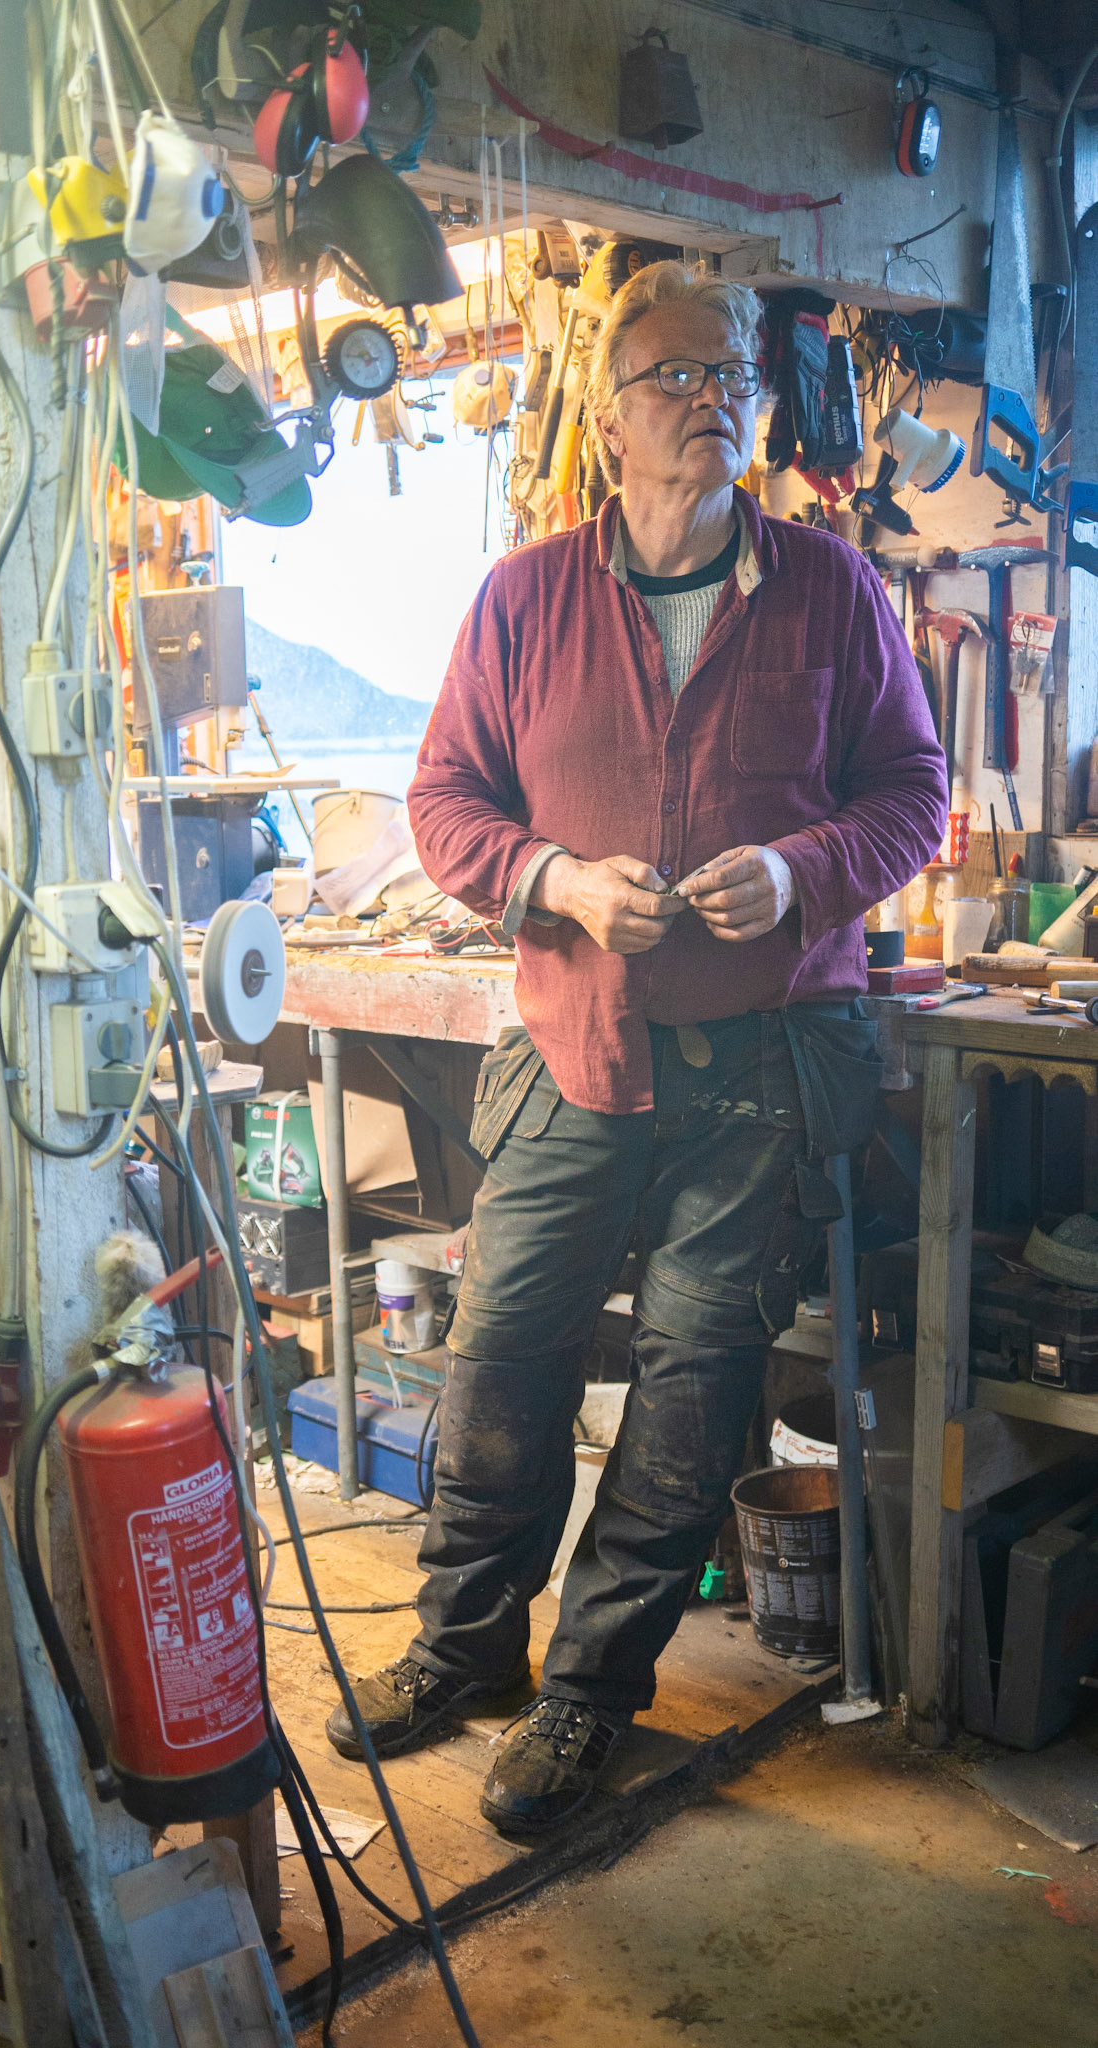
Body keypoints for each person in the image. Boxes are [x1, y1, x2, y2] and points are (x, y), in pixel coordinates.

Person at [324, 262, 948, 1836]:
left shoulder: (824, 586)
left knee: (685, 1399)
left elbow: (912, 796)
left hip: (756, 1068)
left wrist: (807, 870)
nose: (713, 399)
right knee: (499, 1362)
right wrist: (552, 880)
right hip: (569, 1044)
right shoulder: (526, 596)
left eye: (730, 375)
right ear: (609, 418)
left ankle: (590, 1698)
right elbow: (444, 801)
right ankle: (465, 1651)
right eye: (677, 375)